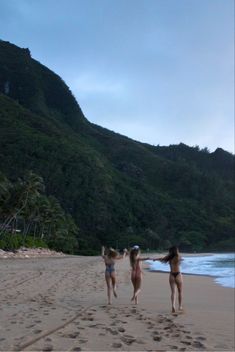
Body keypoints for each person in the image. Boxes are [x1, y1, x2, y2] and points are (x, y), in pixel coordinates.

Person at [154, 246, 183, 313]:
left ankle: (173, 305)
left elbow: (162, 259)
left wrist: (156, 259)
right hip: (178, 274)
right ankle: (180, 306)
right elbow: (180, 258)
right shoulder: (178, 257)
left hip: (171, 275)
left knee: (173, 292)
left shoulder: (169, 258)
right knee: (180, 291)